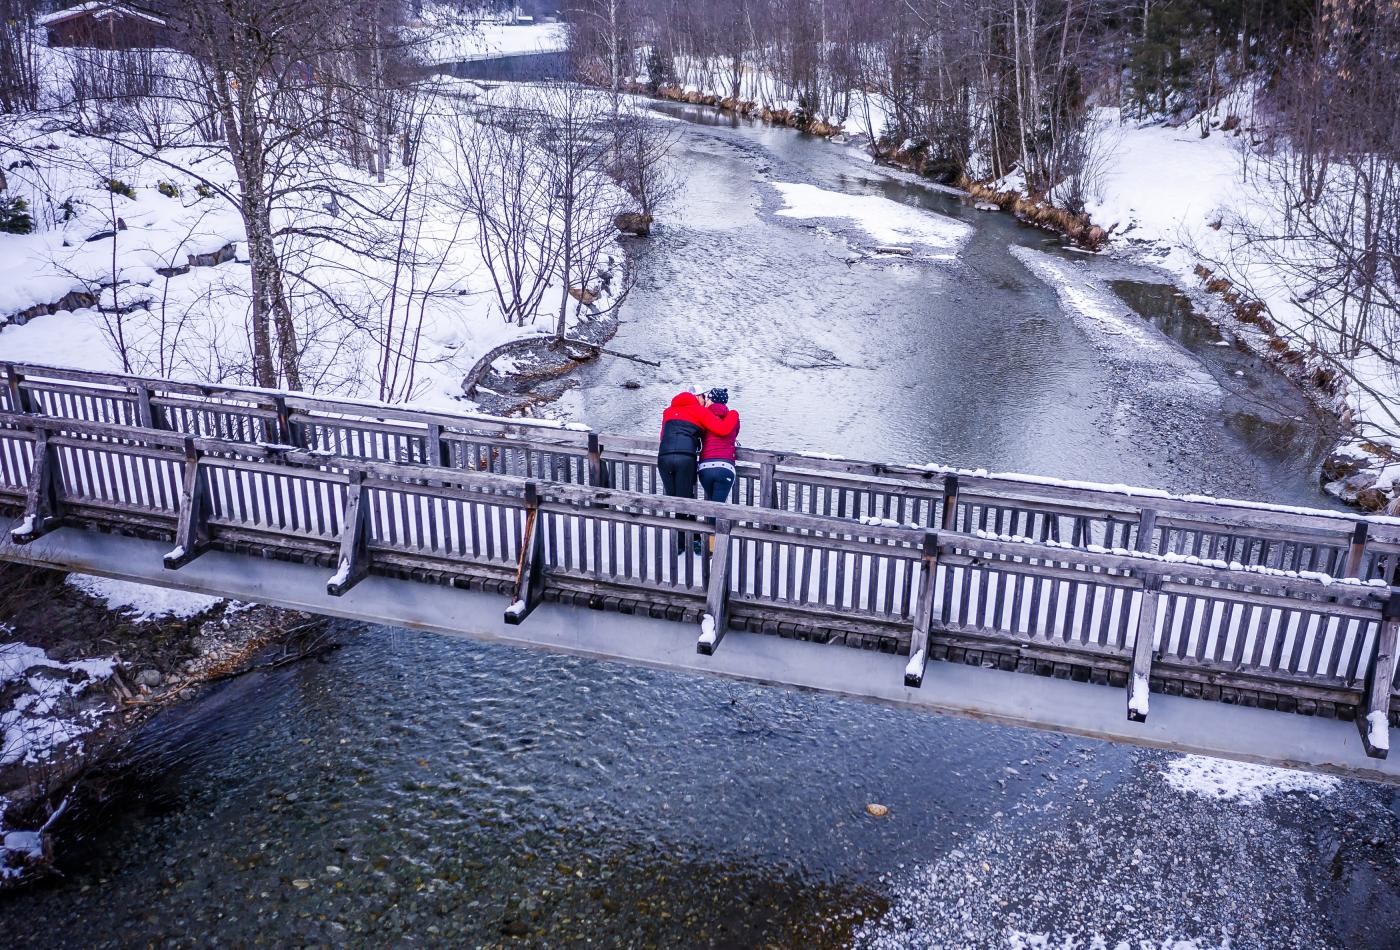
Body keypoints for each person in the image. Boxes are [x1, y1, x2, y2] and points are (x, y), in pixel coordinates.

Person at [657, 388, 739, 553]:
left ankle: (680, 544)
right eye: (702, 397)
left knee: (675, 500)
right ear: (697, 398)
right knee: (687, 500)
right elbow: (722, 429)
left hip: (664, 457)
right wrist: (734, 414)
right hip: (685, 458)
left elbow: (662, 436)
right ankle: (694, 542)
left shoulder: (668, 411)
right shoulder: (699, 411)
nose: (704, 400)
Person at [697, 387, 738, 505]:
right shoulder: (732, 418)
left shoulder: (703, 416)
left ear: (712, 400)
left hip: (705, 467)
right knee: (718, 508)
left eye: (707, 398)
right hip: (725, 467)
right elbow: (734, 433)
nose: (705, 401)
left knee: (713, 506)